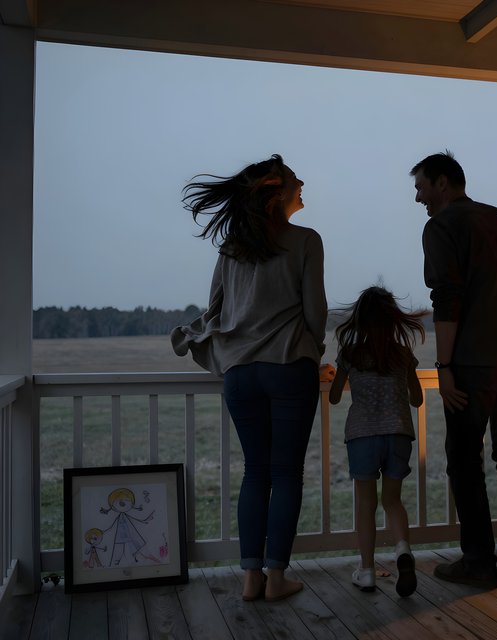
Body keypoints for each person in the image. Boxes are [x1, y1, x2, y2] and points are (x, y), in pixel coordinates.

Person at [171, 155, 335, 602]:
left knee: (255, 474)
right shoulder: (306, 240)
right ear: (276, 192)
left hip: (240, 376)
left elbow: (216, 309)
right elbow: (315, 314)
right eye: (297, 180)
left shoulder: (231, 248)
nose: (304, 184)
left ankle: (249, 577)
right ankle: (277, 577)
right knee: (286, 475)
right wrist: (311, 352)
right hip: (288, 370)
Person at [410, 151, 497, 589]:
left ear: (444, 183)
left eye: (421, 187)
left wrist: (444, 366)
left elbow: (446, 299)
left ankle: (479, 563)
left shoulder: (442, 226)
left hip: (471, 362)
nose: (418, 198)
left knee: (465, 460)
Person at [329, 286, 426, 598]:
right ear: (393, 320)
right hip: (399, 435)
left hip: (362, 437)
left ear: (359, 320)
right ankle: (402, 551)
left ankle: (367, 570)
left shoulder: (350, 354)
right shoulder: (402, 355)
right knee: (393, 501)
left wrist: (334, 375)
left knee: (367, 505)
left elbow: (333, 398)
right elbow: (417, 399)